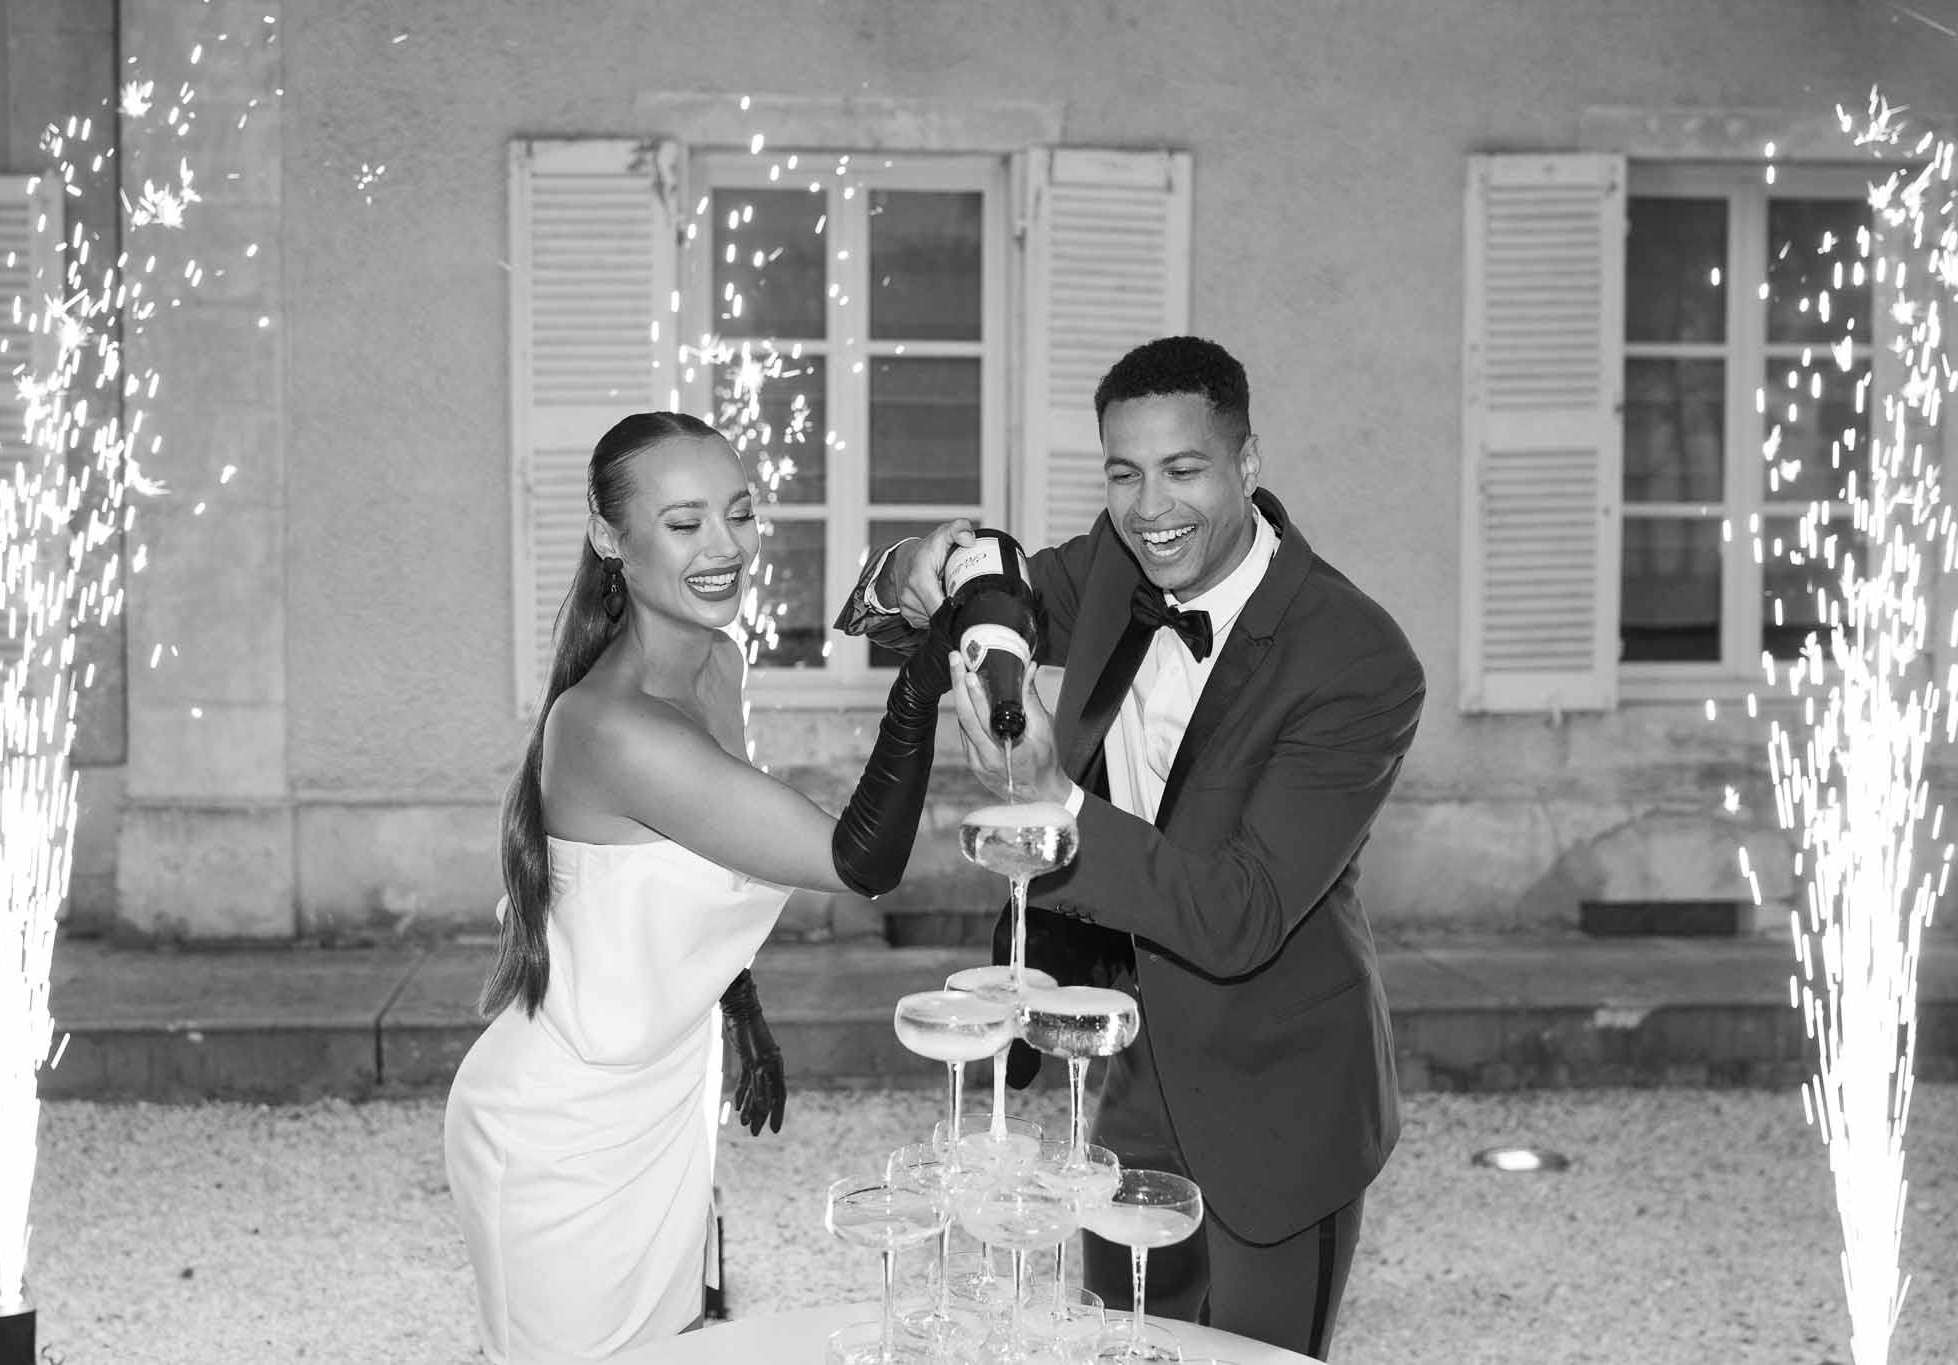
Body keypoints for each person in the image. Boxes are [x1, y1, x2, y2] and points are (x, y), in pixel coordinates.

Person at [834, 336, 1425, 1360]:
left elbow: (1237, 916)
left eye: (1183, 470)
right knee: (1115, 1345)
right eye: (1122, 472)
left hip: (1279, 1081)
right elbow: (909, 619)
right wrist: (929, 565)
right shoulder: (1117, 562)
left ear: (1247, 464)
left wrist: (1053, 800)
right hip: (1127, 1062)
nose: (1150, 507)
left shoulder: (1358, 659)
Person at [445, 411, 953, 1364]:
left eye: (741, 512)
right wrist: (921, 680)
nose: (725, 547)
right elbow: (860, 861)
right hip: (561, 1130)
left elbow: (712, 864)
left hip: (665, 1095)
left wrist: (741, 1004)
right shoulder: (607, 725)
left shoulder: (719, 666)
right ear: (611, 538)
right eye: (684, 523)